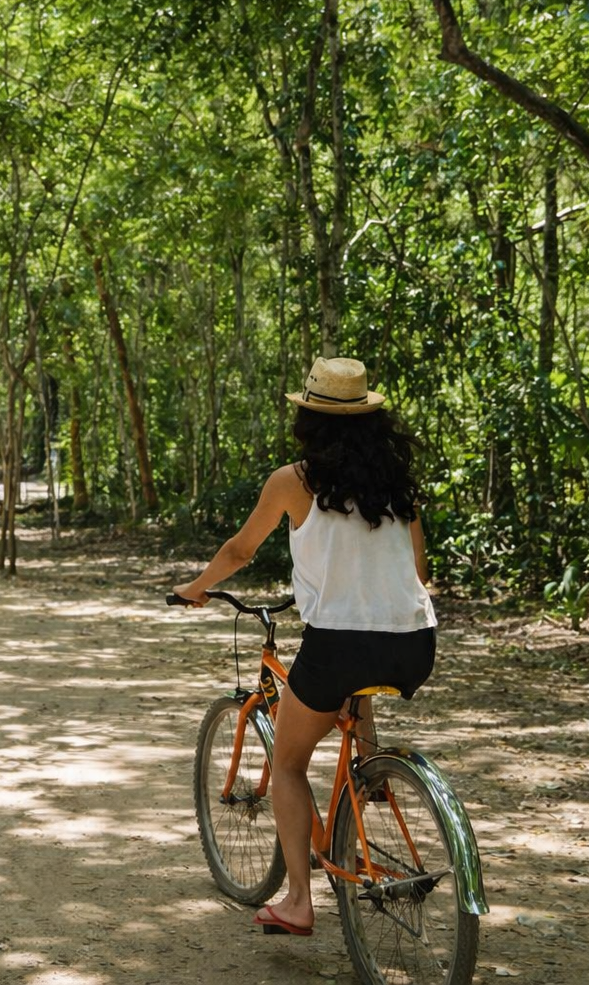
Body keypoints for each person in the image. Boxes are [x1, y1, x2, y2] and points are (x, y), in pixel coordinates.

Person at [172, 356, 435, 937]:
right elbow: (419, 571)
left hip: (338, 645)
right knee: (355, 684)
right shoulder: (397, 484)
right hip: (415, 642)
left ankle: (296, 902)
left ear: (308, 420)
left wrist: (196, 588)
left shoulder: (294, 481)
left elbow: (240, 551)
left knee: (288, 764)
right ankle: (369, 773)